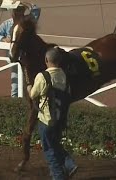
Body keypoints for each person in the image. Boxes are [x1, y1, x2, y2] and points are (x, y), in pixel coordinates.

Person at [27, 47, 77, 180]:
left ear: (46, 60)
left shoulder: (42, 76)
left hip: (46, 120)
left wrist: (29, 87)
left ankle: (58, 176)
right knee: (54, 143)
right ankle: (69, 164)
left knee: (49, 150)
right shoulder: (63, 76)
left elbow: (33, 95)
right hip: (59, 119)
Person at [0, 2, 41, 97]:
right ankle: (15, 105)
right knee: (15, 86)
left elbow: (36, 10)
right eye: (16, 10)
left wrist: (26, 3)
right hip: (15, 59)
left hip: (28, 60)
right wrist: (3, 39)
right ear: (12, 12)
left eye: (20, 10)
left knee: (32, 84)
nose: (17, 13)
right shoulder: (7, 24)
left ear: (23, 11)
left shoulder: (28, 21)